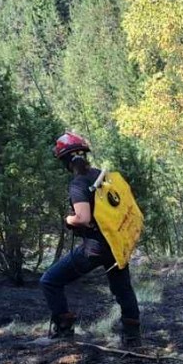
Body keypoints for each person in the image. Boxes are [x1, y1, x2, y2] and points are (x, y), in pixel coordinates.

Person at [39, 132, 142, 347]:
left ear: (65, 161)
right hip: (115, 242)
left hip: (94, 248)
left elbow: (83, 218)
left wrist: (69, 219)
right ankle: (132, 336)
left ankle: (64, 330)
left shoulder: (78, 184)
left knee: (50, 280)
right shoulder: (102, 176)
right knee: (123, 288)